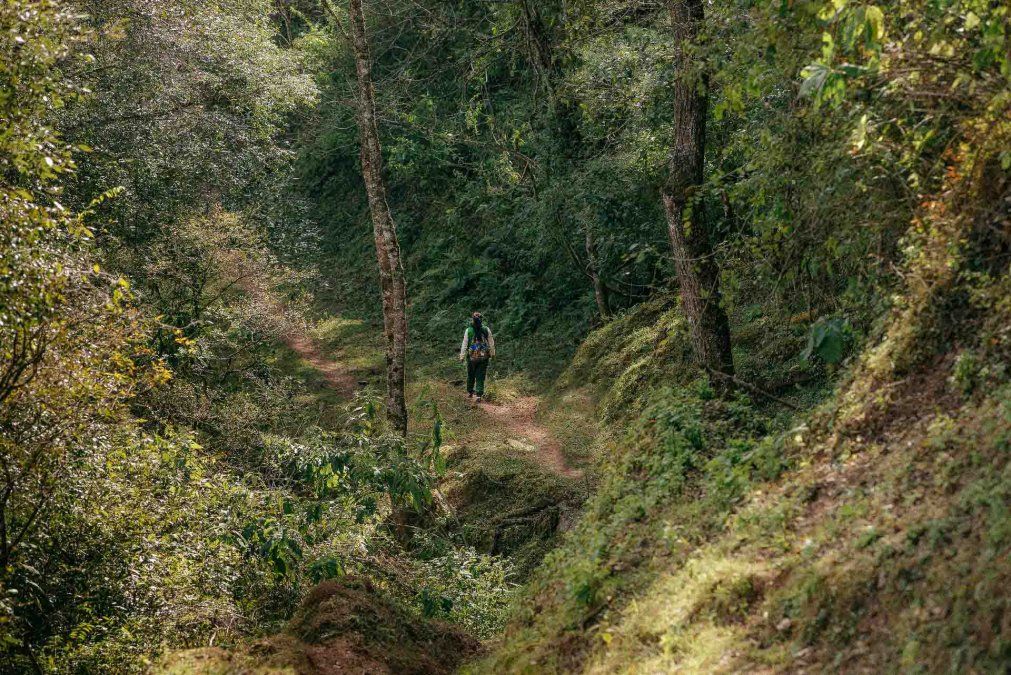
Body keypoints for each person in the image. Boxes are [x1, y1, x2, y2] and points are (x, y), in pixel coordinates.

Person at [459, 312, 495, 401]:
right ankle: (479, 394)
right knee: (480, 375)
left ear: (472, 320)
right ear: (481, 320)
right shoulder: (486, 329)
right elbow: (491, 343)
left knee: (471, 374)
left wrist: (462, 356)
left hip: (471, 357)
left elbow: (465, 344)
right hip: (484, 357)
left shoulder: (468, 330)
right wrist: (493, 353)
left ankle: (470, 392)